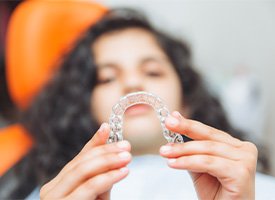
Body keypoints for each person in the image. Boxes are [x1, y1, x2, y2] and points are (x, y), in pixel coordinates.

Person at [3, 8, 275, 199]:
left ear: (189, 101)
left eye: (153, 72)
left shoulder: (249, 186)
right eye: (107, 78)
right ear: (83, 110)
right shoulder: (57, 191)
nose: (133, 84)